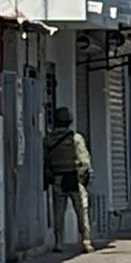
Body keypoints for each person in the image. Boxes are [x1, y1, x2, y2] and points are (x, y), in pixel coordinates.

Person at [44, 107, 94, 252]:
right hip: (74, 178)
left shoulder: (48, 140)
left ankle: (58, 242)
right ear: (69, 121)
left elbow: (45, 162)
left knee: (58, 212)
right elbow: (84, 161)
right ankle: (85, 241)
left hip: (58, 178)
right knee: (81, 210)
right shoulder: (75, 139)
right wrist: (85, 176)